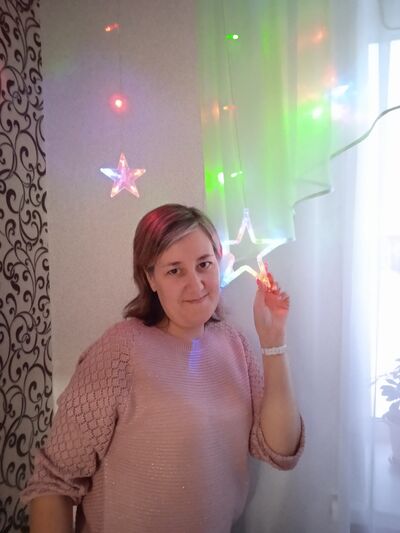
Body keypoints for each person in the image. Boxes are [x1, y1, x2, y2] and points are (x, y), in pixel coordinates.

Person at [21, 203, 304, 533]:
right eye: (175, 271)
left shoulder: (234, 344)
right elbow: (53, 483)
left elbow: (280, 450)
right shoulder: (119, 350)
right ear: (150, 278)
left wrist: (273, 340)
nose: (196, 284)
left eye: (204, 264)